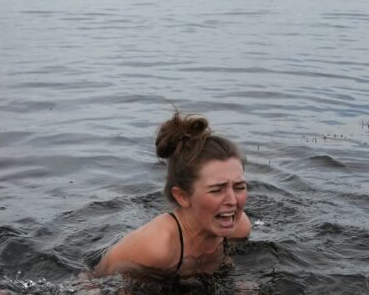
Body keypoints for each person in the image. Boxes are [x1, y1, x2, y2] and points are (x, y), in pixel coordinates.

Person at [95, 111, 252, 278]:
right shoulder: (157, 247)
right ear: (182, 196)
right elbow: (93, 284)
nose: (232, 200)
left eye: (239, 187)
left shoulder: (239, 228)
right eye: (216, 190)